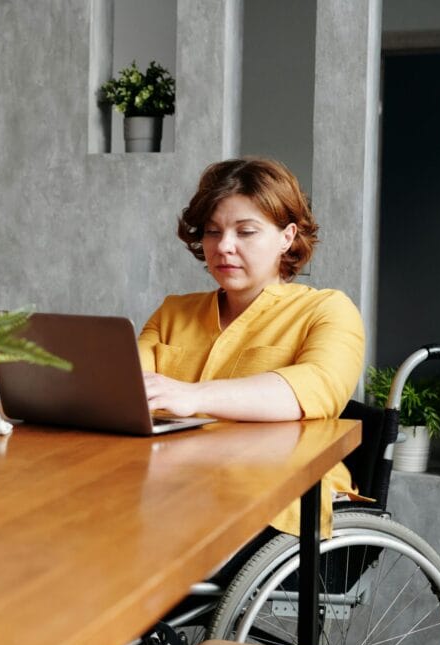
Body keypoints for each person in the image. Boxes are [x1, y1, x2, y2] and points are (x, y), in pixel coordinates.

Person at [137, 157, 366, 536]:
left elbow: (312, 389)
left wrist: (192, 396)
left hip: (275, 503)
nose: (224, 246)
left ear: (287, 237)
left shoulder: (327, 310)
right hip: (171, 489)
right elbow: (124, 386)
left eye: (245, 232)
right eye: (212, 232)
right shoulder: (173, 312)